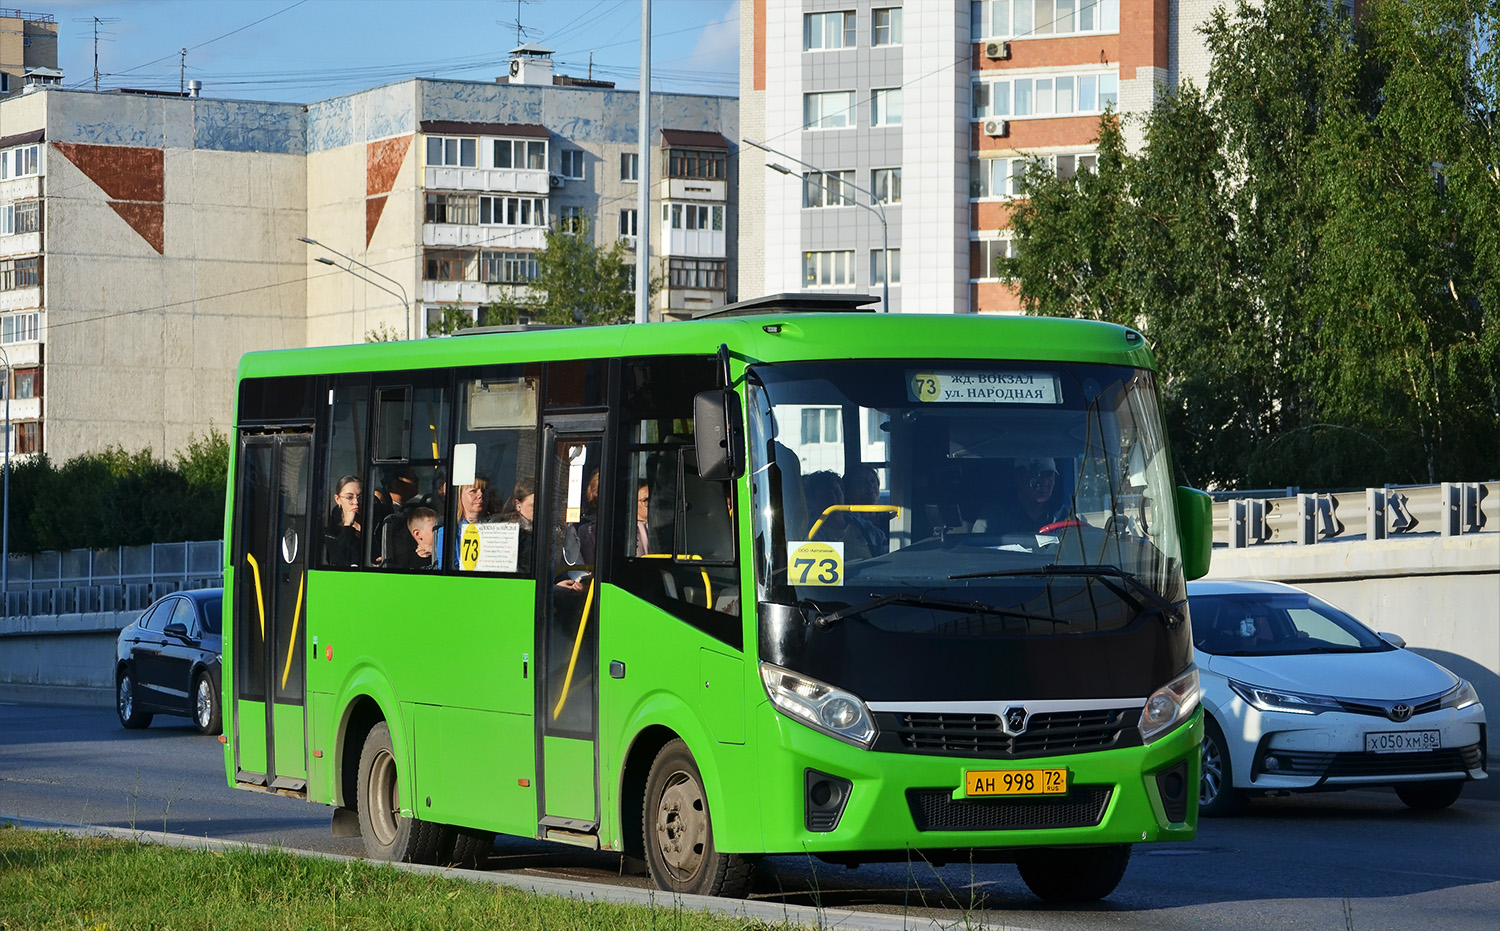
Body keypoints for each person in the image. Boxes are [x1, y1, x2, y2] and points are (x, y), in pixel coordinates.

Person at [976, 458, 1069, 534]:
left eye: (1049, 476)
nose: (1044, 482)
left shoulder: (1063, 515)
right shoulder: (995, 515)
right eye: (1037, 475)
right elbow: (977, 548)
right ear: (1018, 476)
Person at [803, 470, 873, 560]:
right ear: (812, 501)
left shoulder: (866, 529)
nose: (834, 497)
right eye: (827, 494)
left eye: (837, 492)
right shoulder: (807, 534)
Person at [378, 470, 421, 569]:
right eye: (412, 477)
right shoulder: (386, 515)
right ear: (395, 484)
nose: (418, 480)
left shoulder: (411, 509)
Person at [843, 464, 888, 554]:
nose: (870, 485)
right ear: (848, 490)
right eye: (862, 482)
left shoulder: (891, 518)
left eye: (873, 481)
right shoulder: (846, 522)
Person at [497, 477, 536, 575]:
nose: (539, 510)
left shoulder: (549, 528)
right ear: (518, 505)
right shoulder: (508, 529)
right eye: (533, 506)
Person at [324, 475, 362, 566]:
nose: (356, 502)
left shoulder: (375, 526)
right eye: (349, 497)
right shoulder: (331, 533)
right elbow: (339, 560)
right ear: (338, 499)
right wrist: (347, 526)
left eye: (360, 497)